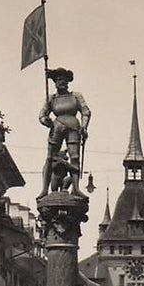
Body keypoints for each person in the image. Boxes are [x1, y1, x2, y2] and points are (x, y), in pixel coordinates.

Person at [37, 68, 91, 198]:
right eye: (58, 79)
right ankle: (44, 189)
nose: (61, 82)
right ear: (55, 82)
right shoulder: (51, 98)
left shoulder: (75, 96)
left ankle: (76, 188)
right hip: (57, 126)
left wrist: (84, 126)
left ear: (68, 82)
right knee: (50, 157)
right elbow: (42, 114)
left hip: (73, 126)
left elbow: (86, 112)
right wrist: (46, 121)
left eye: (64, 79)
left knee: (75, 157)